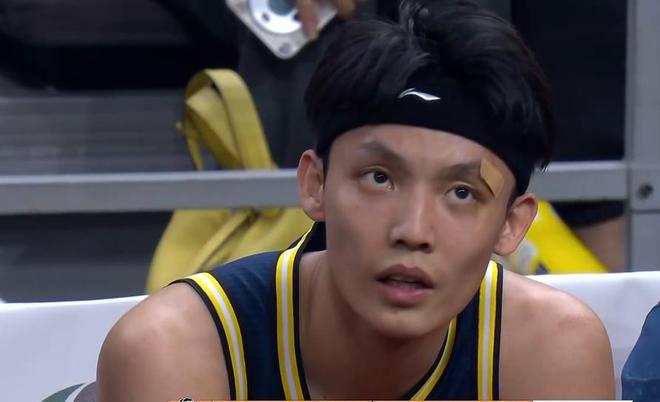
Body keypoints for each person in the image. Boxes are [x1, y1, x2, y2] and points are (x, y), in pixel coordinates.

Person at [97, 1, 614, 400]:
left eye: (462, 193)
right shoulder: (176, 347)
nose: (413, 230)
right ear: (315, 184)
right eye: (379, 178)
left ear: (512, 223)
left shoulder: (551, 349)